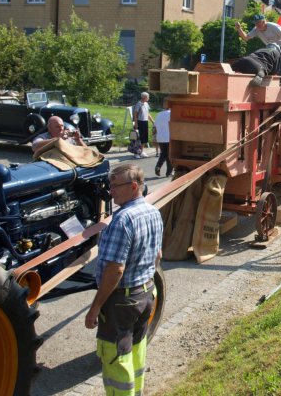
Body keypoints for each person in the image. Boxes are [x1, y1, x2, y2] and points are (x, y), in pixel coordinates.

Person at [85, 163, 163, 396]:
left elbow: (115, 271)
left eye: (116, 186)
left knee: (115, 359)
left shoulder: (122, 220)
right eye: (110, 185)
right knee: (137, 351)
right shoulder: (153, 212)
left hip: (122, 302)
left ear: (133, 186)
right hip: (145, 294)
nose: (111, 191)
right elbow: (157, 255)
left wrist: (95, 307)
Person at [133, 92, 154, 159]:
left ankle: (141, 151)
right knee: (138, 139)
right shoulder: (138, 104)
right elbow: (135, 114)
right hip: (140, 122)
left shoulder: (146, 104)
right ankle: (136, 153)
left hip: (145, 122)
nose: (149, 98)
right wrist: (136, 123)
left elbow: (148, 113)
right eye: (148, 97)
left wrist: (152, 121)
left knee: (144, 138)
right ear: (144, 97)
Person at [154, 105, 172, 177]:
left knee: (163, 153)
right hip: (169, 137)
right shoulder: (171, 113)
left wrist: (154, 136)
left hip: (160, 137)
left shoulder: (159, 114)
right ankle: (169, 172)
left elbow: (154, 127)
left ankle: (158, 166)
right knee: (169, 155)